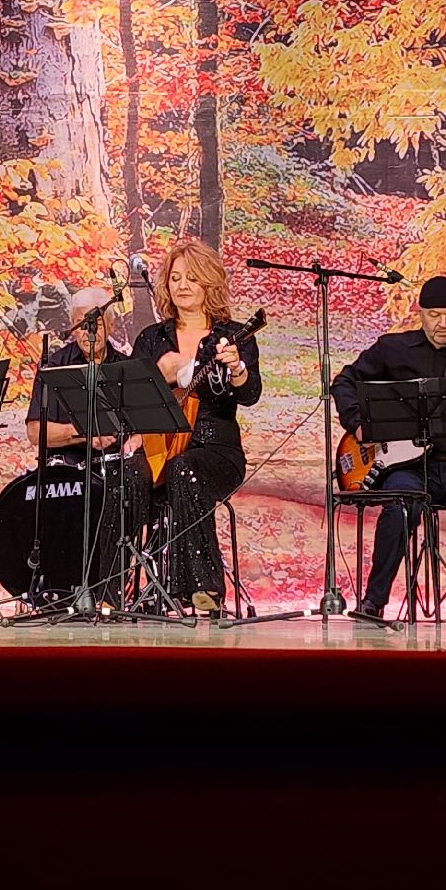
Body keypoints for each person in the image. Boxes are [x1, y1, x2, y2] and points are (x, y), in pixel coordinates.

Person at [329, 275, 446, 621]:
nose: (443, 323)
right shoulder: (392, 349)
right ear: (420, 313)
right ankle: (374, 602)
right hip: (405, 470)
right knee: (402, 505)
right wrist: (358, 422)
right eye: (435, 314)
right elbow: (344, 381)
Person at [131, 239, 259, 616]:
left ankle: (203, 588)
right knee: (124, 476)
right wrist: (160, 373)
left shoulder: (233, 335)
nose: (182, 285)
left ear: (209, 284)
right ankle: (108, 585)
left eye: (192, 278)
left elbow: (250, 394)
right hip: (160, 446)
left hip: (215, 450)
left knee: (184, 470)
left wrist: (236, 368)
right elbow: (132, 403)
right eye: (174, 278)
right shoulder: (152, 339)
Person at [23, 285, 152, 605]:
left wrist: (133, 439)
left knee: (131, 485)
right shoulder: (55, 365)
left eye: (94, 323)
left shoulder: (126, 368)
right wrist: (82, 434)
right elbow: (34, 432)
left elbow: (145, 426)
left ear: (109, 325)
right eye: (80, 324)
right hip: (65, 465)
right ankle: (59, 591)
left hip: (115, 468)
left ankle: (109, 593)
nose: (86, 331)